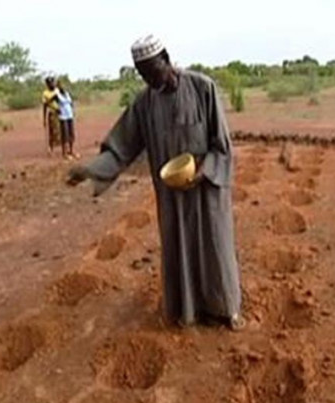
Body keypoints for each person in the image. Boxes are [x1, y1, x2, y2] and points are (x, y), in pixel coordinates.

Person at [67, 35, 244, 331]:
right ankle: (188, 312)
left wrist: (203, 170)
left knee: (216, 248)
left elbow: (222, 147)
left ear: (166, 58)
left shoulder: (203, 88)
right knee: (180, 252)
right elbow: (121, 147)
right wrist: (91, 170)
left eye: (152, 70)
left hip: (206, 193)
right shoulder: (144, 104)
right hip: (171, 197)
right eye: (142, 73)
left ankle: (226, 310)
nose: (149, 79)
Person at [55, 80, 78, 160]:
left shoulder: (67, 94)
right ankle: (64, 153)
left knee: (71, 134)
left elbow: (71, 103)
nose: (62, 87)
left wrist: (73, 110)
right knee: (65, 135)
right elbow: (51, 103)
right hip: (63, 117)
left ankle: (71, 151)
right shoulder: (57, 95)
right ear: (58, 87)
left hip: (69, 115)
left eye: (63, 85)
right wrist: (56, 109)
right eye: (60, 85)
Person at [42, 76, 61, 155]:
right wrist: (44, 119)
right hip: (52, 113)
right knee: (52, 131)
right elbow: (45, 105)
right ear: (47, 84)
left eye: (52, 82)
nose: (52, 84)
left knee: (61, 131)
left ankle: (63, 148)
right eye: (50, 83)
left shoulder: (57, 90)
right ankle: (50, 148)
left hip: (60, 113)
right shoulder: (45, 93)